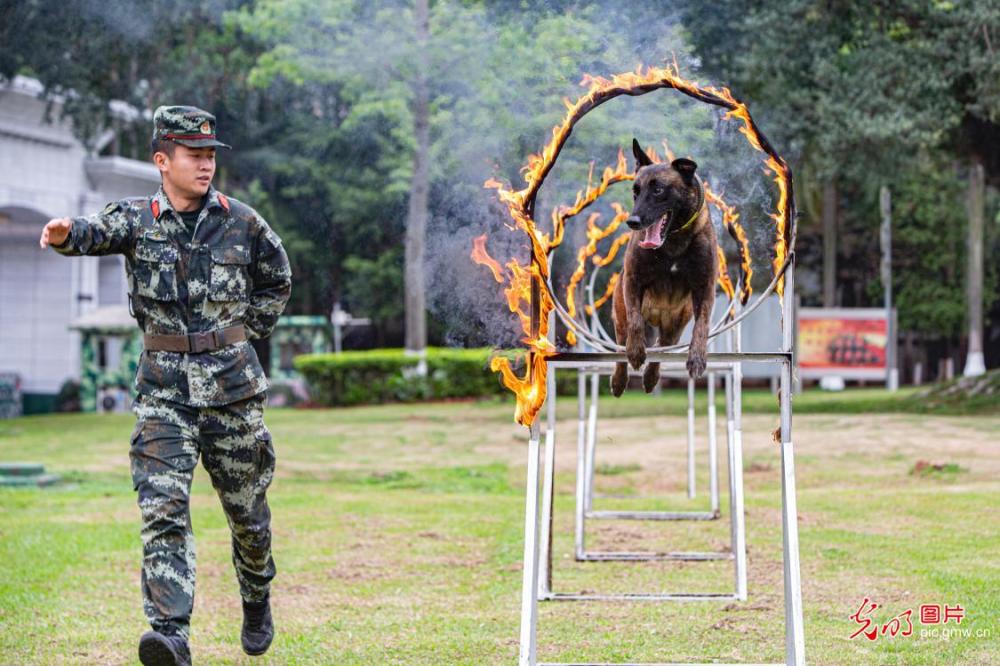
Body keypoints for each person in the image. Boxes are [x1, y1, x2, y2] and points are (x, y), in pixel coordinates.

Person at [39, 105, 292, 665]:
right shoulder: (137, 218)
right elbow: (93, 232)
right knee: (162, 509)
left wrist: (242, 336)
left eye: (210, 157)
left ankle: (256, 596)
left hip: (232, 395)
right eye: (194, 156)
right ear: (163, 161)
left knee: (248, 517)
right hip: (163, 397)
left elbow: (278, 278)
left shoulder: (243, 222)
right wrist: (63, 234)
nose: (206, 166)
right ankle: (170, 634)